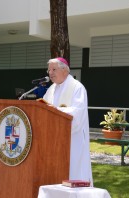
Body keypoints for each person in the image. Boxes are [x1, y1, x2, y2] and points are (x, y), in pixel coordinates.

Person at [43, 57, 93, 185]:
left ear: (65, 70)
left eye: (54, 69)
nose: (50, 73)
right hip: (54, 140)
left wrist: (56, 110)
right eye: (49, 70)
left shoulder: (77, 88)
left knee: (73, 171)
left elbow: (78, 112)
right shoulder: (51, 89)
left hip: (73, 140)